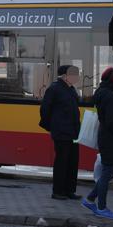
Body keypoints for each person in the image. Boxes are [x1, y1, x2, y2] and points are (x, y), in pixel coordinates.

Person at [82, 67, 113, 220]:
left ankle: (90, 200)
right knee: (107, 173)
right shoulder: (111, 96)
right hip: (111, 139)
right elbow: (112, 121)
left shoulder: (103, 93)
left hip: (106, 137)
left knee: (109, 172)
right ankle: (101, 207)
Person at [39, 65, 81, 200]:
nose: (76, 78)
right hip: (61, 132)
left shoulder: (71, 89)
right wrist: (53, 126)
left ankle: (70, 190)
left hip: (73, 132)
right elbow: (45, 110)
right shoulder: (55, 89)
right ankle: (58, 191)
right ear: (64, 76)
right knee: (62, 163)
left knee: (72, 162)